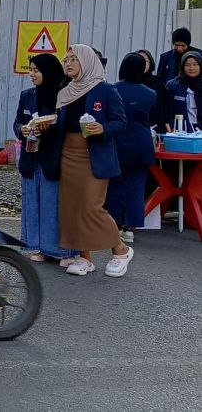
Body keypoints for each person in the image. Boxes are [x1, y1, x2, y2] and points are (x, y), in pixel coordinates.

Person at [39, 44, 132, 278]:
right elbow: (61, 124)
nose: (68, 63)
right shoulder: (65, 90)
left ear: (88, 62)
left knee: (91, 207)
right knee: (72, 207)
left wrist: (103, 127)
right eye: (66, 59)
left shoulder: (106, 90)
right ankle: (84, 256)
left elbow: (121, 122)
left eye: (74, 59)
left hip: (93, 154)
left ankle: (120, 250)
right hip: (67, 153)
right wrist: (45, 126)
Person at [13, 54, 77, 266]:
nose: (32, 75)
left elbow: (66, 126)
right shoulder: (27, 95)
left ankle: (61, 250)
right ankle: (37, 246)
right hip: (31, 156)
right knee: (33, 201)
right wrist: (22, 130)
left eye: (36, 71)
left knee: (53, 203)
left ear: (48, 72)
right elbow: (18, 122)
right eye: (30, 70)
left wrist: (47, 129)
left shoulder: (63, 96)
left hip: (53, 156)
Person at [105, 53, 157, 243]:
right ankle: (131, 227)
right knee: (136, 187)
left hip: (117, 143)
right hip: (142, 144)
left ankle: (114, 225)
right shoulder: (151, 94)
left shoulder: (112, 89)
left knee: (115, 185)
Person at [164, 52, 202, 131]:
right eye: (187, 65)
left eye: (195, 64)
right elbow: (168, 110)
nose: (191, 68)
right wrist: (171, 126)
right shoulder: (173, 85)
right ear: (182, 66)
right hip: (180, 130)